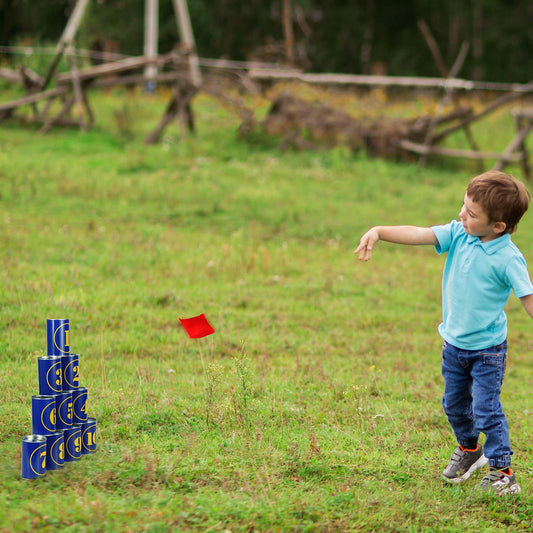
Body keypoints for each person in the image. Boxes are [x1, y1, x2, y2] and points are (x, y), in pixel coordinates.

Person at [354, 170, 533, 495]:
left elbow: (528, 297)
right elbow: (418, 233)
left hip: (488, 351)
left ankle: (503, 472)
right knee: (453, 404)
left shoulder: (508, 258)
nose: (462, 215)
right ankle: (470, 451)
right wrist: (379, 231)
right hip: (454, 345)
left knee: (485, 409)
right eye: (463, 207)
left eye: (472, 214)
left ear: (498, 226)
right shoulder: (459, 234)